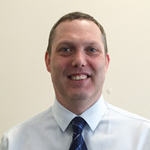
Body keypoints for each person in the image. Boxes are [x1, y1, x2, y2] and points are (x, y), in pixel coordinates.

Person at [0, 12, 150, 150]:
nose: (79, 61)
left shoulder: (144, 138)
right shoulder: (14, 143)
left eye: (92, 49)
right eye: (66, 49)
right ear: (48, 61)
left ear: (106, 62)